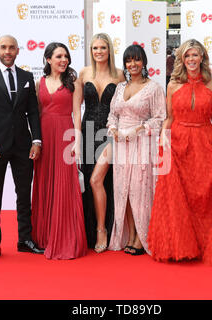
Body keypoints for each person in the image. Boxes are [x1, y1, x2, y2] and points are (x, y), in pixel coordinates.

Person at [147, 39, 212, 269]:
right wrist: (164, 137)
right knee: (181, 197)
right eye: (187, 56)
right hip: (180, 143)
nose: (192, 59)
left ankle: (207, 244)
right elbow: (169, 118)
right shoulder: (172, 86)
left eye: (196, 55)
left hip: (205, 142)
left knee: (205, 198)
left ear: (202, 57)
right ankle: (182, 246)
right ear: (182, 59)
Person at [0, 35, 44, 262]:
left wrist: (36, 141)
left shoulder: (26, 76)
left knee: (24, 195)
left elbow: (33, 112)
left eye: (11, 47)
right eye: (3, 47)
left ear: (17, 50)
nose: (7, 51)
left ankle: (24, 239)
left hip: (23, 146)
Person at [107, 44, 166, 256]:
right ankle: (131, 235)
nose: (132, 64)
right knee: (124, 192)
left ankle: (143, 237)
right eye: (128, 61)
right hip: (122, 143)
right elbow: (113, 114)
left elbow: (160, 117)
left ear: (144, 62)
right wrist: (113, 128)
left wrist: (141, 128)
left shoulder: (154, 88)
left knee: (140, 191)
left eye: (136, 60)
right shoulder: (120, 88)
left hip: (143, 144)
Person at [31, 42, 87, 260]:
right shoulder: (40, 83)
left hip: (65, 135)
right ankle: (44, 236)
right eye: (58, 56)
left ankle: (65, 238)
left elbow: (76, 114)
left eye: (66, 56)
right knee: (45, 182)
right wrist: (35, 140)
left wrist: (77, 139)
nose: (63, 60)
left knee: (65, 185)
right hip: (45, 137)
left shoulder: (73, 82)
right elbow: (36, 113)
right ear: (48, 59)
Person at [78, 33, 125, 253]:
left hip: (109, 134)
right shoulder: (84, 73)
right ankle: (89, 231)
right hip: (87, 132)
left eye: (103, 48)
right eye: (95, 48)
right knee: (90, 181)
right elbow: (75, 108)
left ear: (109, 50)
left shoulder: (119, 75)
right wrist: (76, 137)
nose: (99, 52)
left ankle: (102, 229)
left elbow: (125, 107)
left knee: (99, 180)